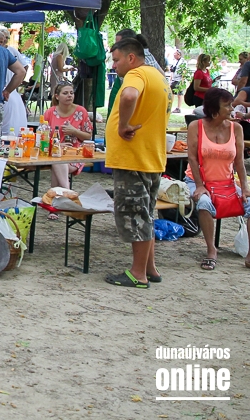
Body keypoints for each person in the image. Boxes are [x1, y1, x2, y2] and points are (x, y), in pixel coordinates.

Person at [104, 37, 170, 289]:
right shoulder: (158, 76)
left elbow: (129, 95)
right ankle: (150, 268)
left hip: (133, 159)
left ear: (131, 58)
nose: (114, 65)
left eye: (116, 60)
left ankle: (138, 274)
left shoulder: (137, 74)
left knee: (134, 216)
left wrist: (123, 125)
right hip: (150, 157)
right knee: (146, 214)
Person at [185, 88, 250, 271]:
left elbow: (239, 161)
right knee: (204, 203)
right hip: (198, 180)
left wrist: (245, 187)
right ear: (214, 109)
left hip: (226, 183)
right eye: (227, 105)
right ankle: (211, 250)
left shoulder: (236, 128)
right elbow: (192, 158)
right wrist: (199, 186)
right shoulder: (196, 126)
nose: (232, 108)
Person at [43, 82, 93, 198]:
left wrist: (74, 131)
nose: (69, 95)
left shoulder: (81, 111)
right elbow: (42, 137)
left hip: (75, 152)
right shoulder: (50, 113)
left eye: (71, 93)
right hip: (54, 151)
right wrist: (57, 144)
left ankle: (59, 198)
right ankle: (66, 195)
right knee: (57, 159)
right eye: (65, 93)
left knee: (58, 163)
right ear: (57, 96)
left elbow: (88, 136)